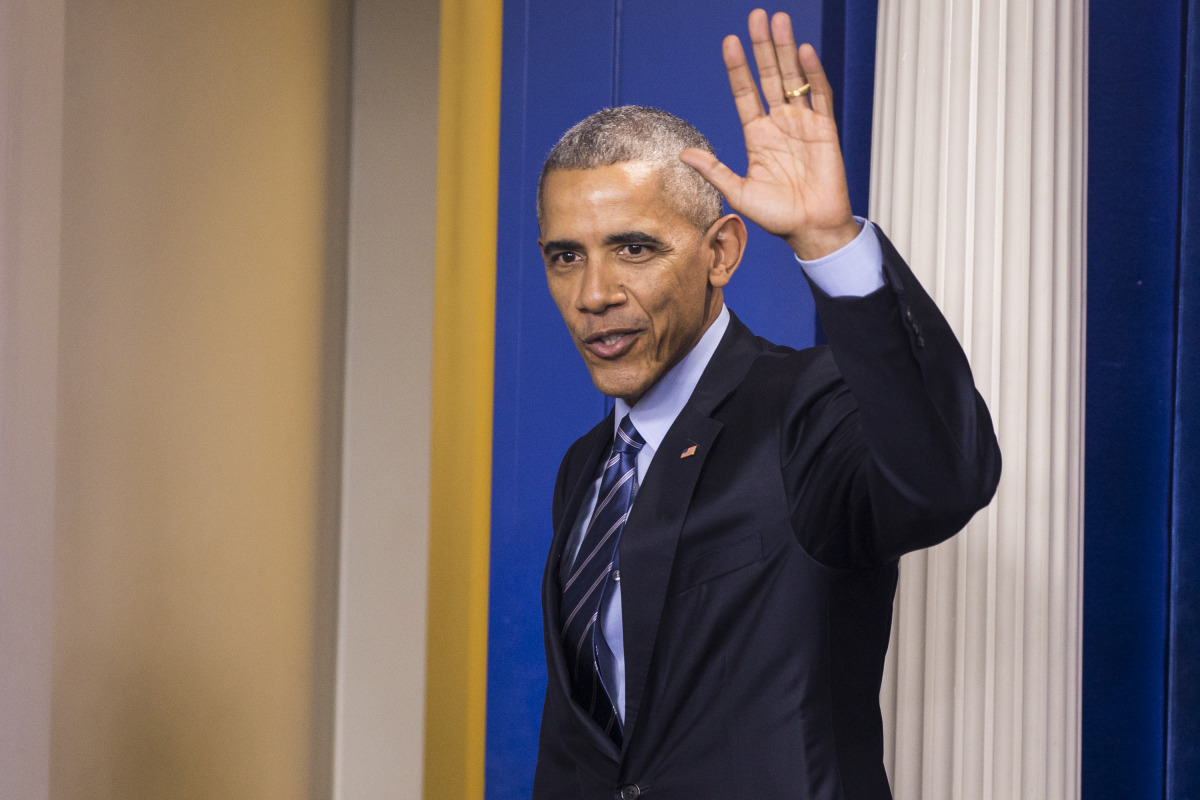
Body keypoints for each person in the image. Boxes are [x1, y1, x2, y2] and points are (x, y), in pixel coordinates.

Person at [532, 9, 1001, 799]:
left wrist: (830, 241)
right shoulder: (588, 466)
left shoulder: (804, 407)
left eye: (634, 248)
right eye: (565, 257)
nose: (593, 294)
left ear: (721, 252)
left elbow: (943, 480)